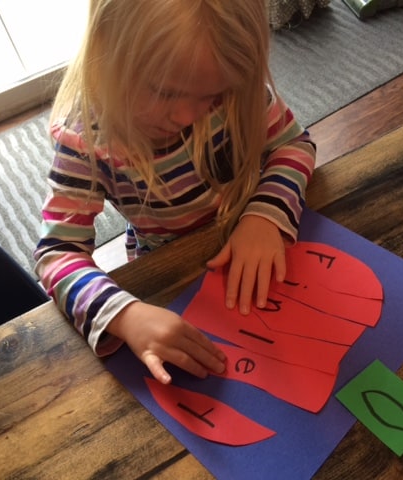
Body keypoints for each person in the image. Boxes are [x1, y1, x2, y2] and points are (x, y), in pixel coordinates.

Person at [34, 0, 317, 385]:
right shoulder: (85, 141)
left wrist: (264, 214)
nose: (187, 115)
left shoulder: (231, 88)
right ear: (107, 52)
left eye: (210, 96)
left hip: (261, 248)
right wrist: (126, 316)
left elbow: (294, 145)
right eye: (165, 93)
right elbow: (57, 255)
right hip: (168, 272)